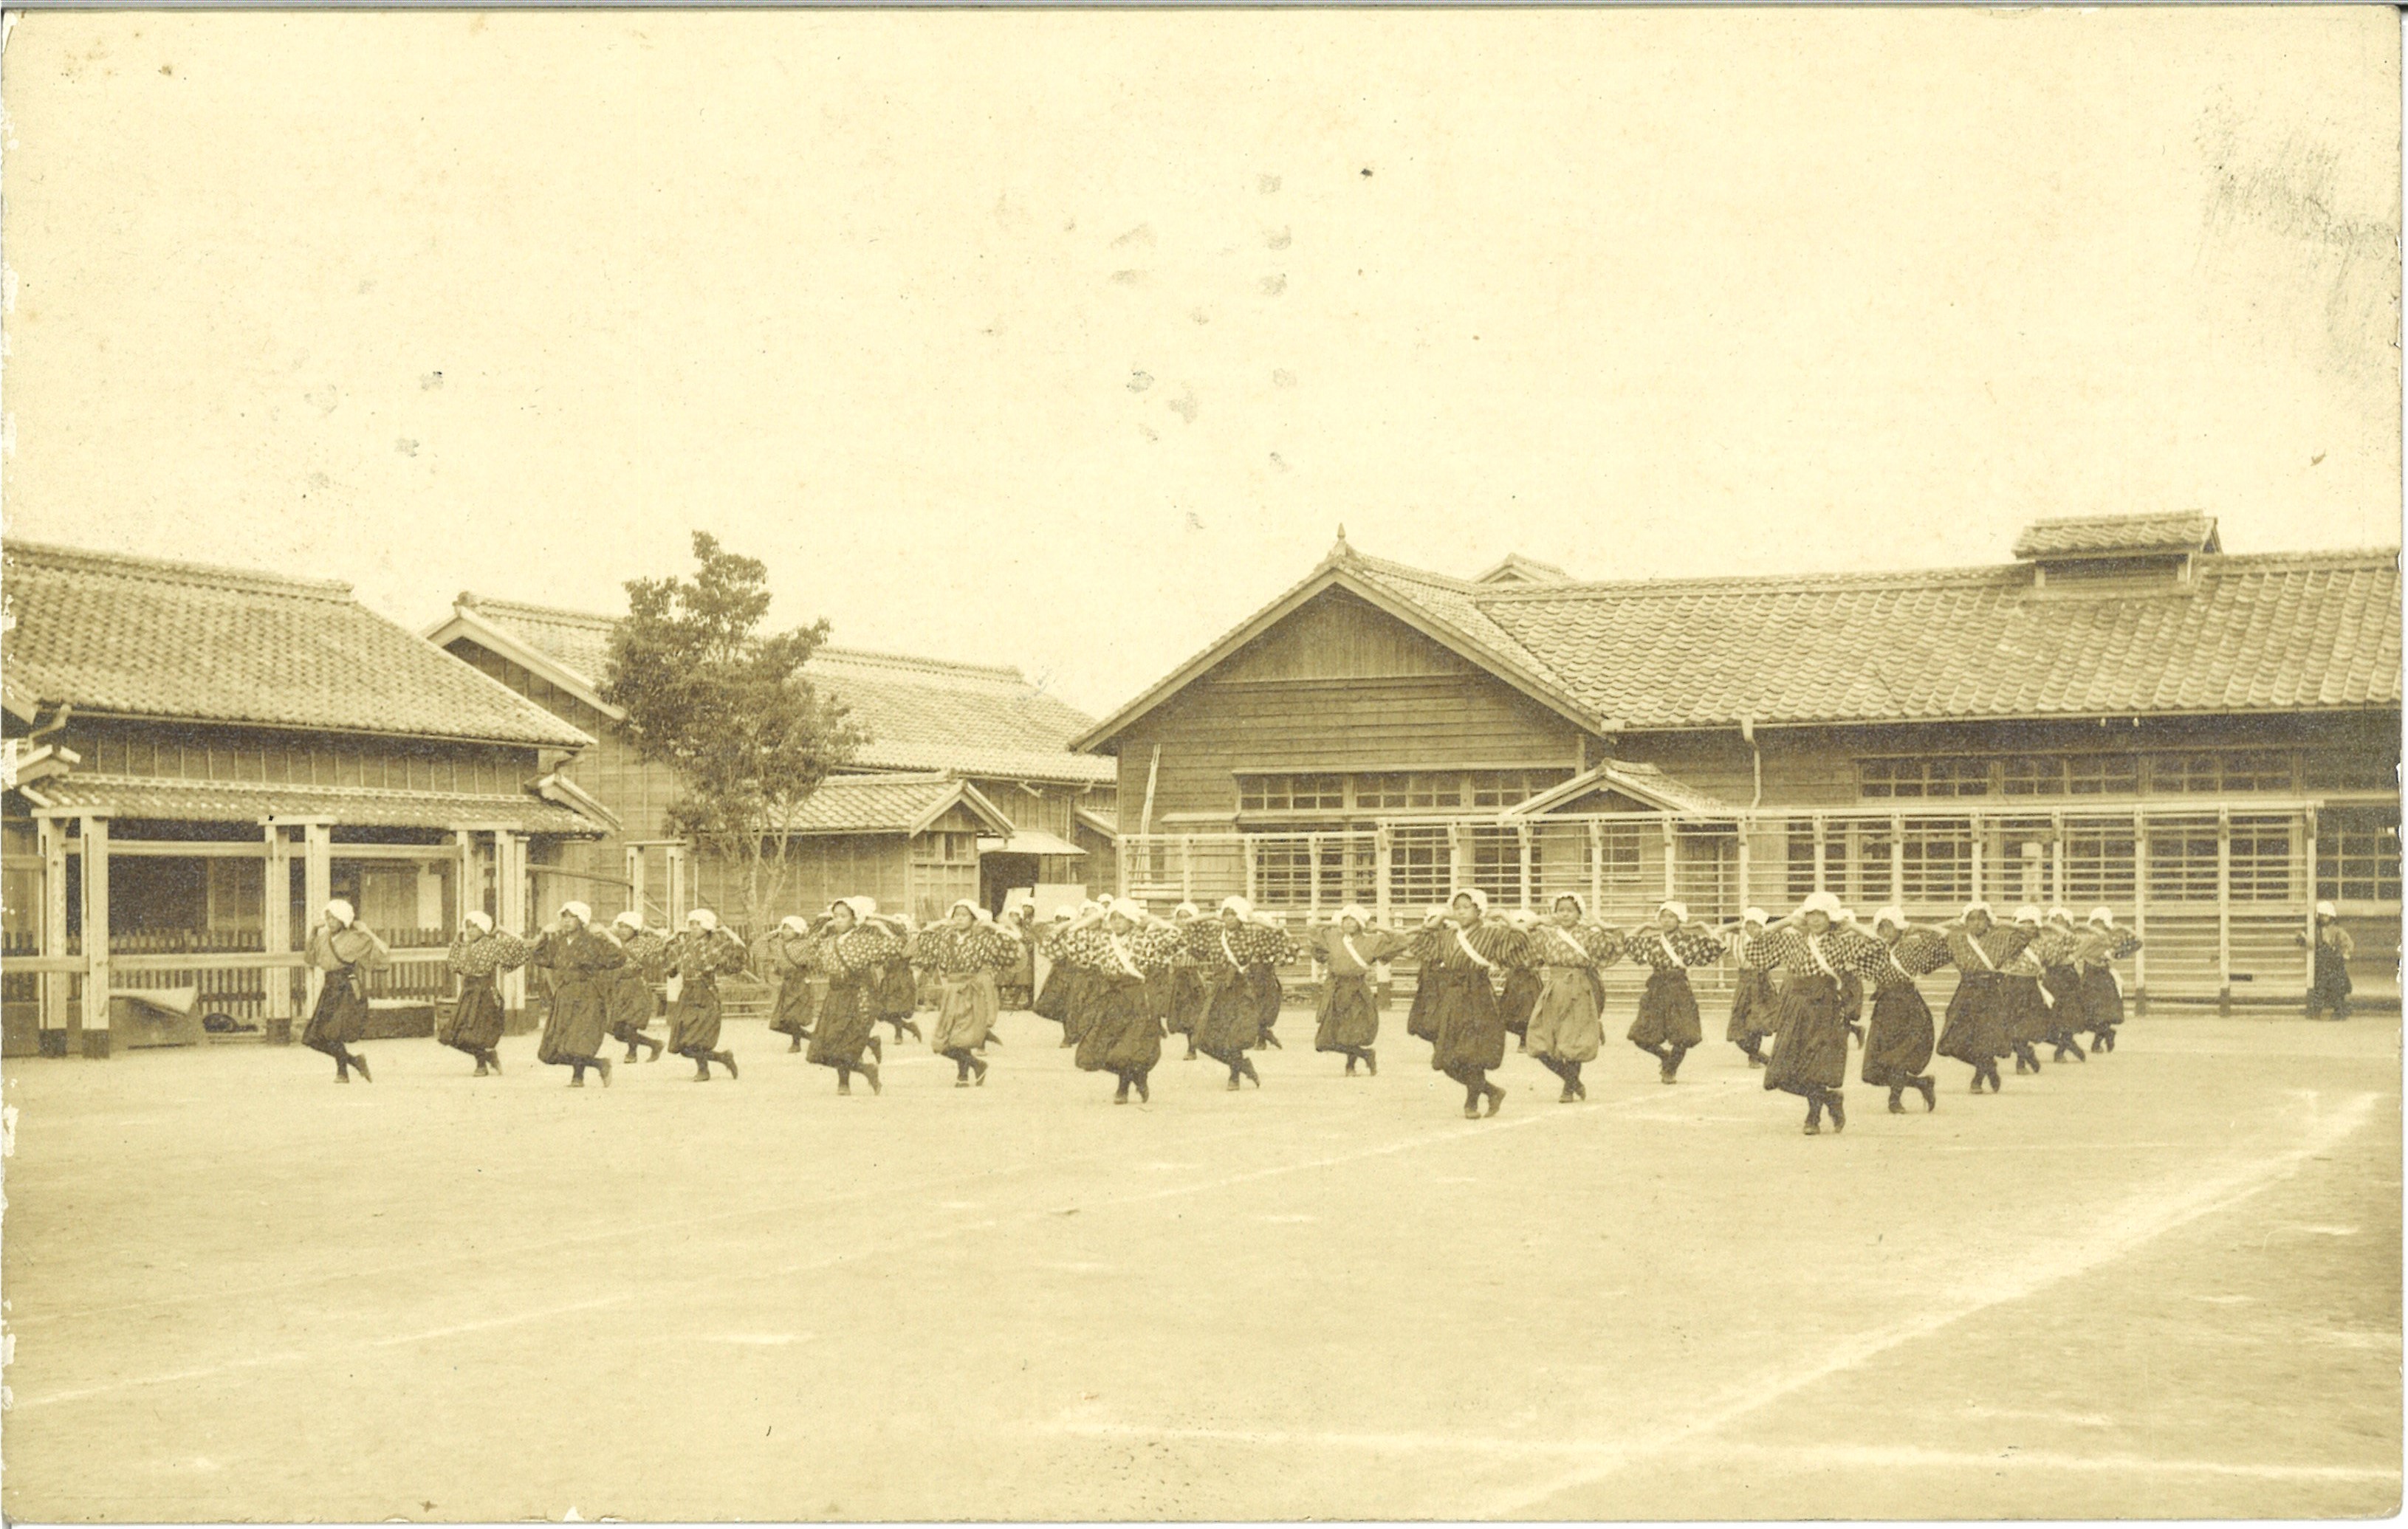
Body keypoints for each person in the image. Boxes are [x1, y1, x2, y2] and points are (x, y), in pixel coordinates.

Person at [1748, 892, 1876, 1135]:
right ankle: (1830, 1099)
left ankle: (1813, 1117)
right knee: (1779, 1074)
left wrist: (1853, 926)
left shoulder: (1842, 943)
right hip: (1796, 1009)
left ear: (1831, 918)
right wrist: (1787, 921)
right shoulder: (1793, 941)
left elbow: (1878, 946)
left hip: (1825, 1009)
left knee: (1815, 1068)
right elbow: (1755, 949)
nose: (1815, 920)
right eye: (1810, 915)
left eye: (1821, 915)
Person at [1406, 890, 1516, 1119]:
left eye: (1467, 907)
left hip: (1478, 995)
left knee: (1472, 1054)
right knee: (1446, 1060)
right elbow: (1420, 948)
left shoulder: (1491, 934)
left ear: (1478, 910)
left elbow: (1517, 946)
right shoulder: (1447, 936)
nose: (1461, 912)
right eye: (1457, 908)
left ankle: (1471, 1103)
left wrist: (1507, 918)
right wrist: (1436, 920)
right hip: (1453, 996)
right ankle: (1492, 1091)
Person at [1069, 899, 1178, 1102]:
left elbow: (1175, 936)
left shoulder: (1143, 939)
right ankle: (1138, 1078)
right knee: (1103, 1048)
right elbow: (1073, 936)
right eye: (1113, 918)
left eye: (1122, 918)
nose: (1117, 922)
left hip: (1137, 997)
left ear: (1131, 920)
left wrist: (1150, 918)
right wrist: (1097, 916)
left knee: (1130, 1047)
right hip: (1112, 997)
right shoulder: (1103, 940)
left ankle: (1123, 1088)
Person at [1523, 893, 1624, 1102]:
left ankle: (1568, 1089)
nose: (1565, 914)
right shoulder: (1548, 935)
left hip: (1579, 990)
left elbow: (1615, 942)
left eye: (1570, 910)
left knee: (1573, 1042)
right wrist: (1539, 920)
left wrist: (1600, 924)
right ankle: (1574, 1082)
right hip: (1553, 990)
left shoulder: (1588, 935)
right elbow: (1525, 936)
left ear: (1579, 913)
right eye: (1561, 910)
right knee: (1539, 1042)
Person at [807, 897, 903, 1094]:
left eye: (843, 916)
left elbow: (896, 945)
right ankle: (865, 1070)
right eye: (835, 916)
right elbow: (810, 952)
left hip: (859, 996)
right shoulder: (829, 942)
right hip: (835, 995)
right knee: (826, 1044)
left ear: (854, 918)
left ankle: (844, 1083)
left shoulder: (864, 940)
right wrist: (823, 931)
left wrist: (879, 925)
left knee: (846, 1042)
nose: (838, 920)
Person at [1935, 902, 2034, 1094]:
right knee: (1952, 1041)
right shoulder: (1957, 940)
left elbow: (2027, 933)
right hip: (1966, 992)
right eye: (1971, 919)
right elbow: (1930, 935)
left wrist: (2001, 923)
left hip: (1989, 991)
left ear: (1989, 921)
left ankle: (1978, 1079)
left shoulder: (2000, 939)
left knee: (1985, 1039)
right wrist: (1951, 922)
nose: (1977, 923)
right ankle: (1989, 1066)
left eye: (1981, 919)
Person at [1622, 901, 1724, 1085]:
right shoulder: (1653, 941)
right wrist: (1645, 926)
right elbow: (1628, 942)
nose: (1667, 920)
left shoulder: (1689, 941)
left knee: (1683, 1035)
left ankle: (1670, 1070)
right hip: (1657, 990)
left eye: (1671, 917)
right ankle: (1665, 1057)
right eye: (1663, 917)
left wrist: (1702, 926)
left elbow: (1718, 945)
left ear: (1679, 919)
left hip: (1679, 989)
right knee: (1641, 1036)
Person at [1184, 896, 1280, 1091]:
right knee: (1202, 1039)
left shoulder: (1250, 934)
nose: (1228, 918)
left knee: (1234, 1037)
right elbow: (1189, 923)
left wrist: (1252, 919)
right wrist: (1214, 915)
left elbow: (1276, 933)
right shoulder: (1215, 933)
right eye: (1226, 914)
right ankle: (1243, 1065)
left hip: (1240, 988)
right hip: (1219, 988)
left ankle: (1234, 1075)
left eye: (1233, 914)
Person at [528, 901, 625, 1088]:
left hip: (586, 995)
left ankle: (578, 1077)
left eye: (572, 917)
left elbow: (619, 957)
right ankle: (599, 1064)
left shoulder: (593, 942)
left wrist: (605, 933)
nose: (566, 921)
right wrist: (543, 935)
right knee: (551, 1051)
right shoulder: (558, 942)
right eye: (564, 917)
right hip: (564, 995)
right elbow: (538, 957)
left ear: (582, 920)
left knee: (577, 1041)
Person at [914, 900, 1010, 1087]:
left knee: (962, 1038)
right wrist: (939, 923)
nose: (959, 919)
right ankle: (977, 1065)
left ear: (973, 918)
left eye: (964, 915)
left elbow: (1009, 943)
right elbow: (923, 938)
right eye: (956, 915)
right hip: (951, 992)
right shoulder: (945, 938)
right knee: (941, 1043)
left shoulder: (982, 940)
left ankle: (963, 1076)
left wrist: (991, 925)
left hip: (970, 992)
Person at [1862, 908, 1949, 1113]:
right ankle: (1922, 1083)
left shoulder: (1912, 947)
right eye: (1881, 927)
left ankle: (1895, 1100)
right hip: (1884, 1007)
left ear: (1900, 928)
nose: (1885, 932)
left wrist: (1917, 927)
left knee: (1898, 1057)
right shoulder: (1874, 949)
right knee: (1872, 1071)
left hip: (1908, 1006)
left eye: (1890, 927)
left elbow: (1944, 938)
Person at [1310, 904, 1407, 1076]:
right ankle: (1366, 1054)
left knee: (1352, 1033)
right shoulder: (1333, 937)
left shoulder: (1371, 941)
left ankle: (1350, 1067)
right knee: (1323, 1042)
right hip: (1336, 989)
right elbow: (1312, 930)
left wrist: (1378, 928)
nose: (1348, 923)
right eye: (1345, 920)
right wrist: (1333, 923)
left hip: (1357, 990)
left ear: (1360, 923)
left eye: (1353, 920)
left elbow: (1401, 940)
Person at [303, 898, 388, 1083]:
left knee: (333, 1032)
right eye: (328, 918)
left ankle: (342, 1072)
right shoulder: (323, 938)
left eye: (334, 918)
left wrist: (367, 931)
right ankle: (355, 1061)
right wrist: (313, 931)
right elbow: (310, 959)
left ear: (343, 919)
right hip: (330, 988)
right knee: (313, 1038)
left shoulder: (354, 938)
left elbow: (383, 953)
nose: (330, 922)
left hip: (346, 988)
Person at [440, 910, 529, 1076]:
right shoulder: (464, 947)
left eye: (474, 927)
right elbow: (453, 964)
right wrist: (458, 937)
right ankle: (489, 1056)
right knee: (455, 1034)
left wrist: (501, 929)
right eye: (467, 927)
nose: (470, 931)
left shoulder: (493, 945)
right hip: (468, 992)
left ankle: (481, 1065)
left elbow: (519, 943)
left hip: (485, 992)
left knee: (478, 1031)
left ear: (483, 928)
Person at [665, 907, 748, 1082]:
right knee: (683, 1044)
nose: (694, 927)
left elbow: (737, 961)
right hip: (687, 994)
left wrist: (729, 933)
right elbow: (669, 968)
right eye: (691, 923)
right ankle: (722, 1058)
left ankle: (703, 1071)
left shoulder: (717, 946)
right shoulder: (682, 947)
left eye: (698, 924)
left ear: (707, 926)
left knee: (696, 1039)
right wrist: (672, 937)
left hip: (705, 994)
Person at [601, 912, 669, 1063]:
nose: (623, 930)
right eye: (621, 927)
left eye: (628, 927)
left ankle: (632, 1053)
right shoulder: (613, 942)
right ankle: (654, 1044)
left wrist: (650, 930)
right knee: (617, 1031)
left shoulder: (642, 942)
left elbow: (666, 940)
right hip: (619, 987)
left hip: (636, 986)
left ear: (635, 929)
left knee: (630, 1024)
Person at [2072, 909, 2143, 1051]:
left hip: (2102, 976)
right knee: (2088, 1012)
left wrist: (2124, 928)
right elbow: (2077, 955)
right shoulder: (2094, 938)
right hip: (2090, 975)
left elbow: (2138, 942)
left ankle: (2098, 1042)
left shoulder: (2110, 938)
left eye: (2101, 922)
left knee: (2103, 1013)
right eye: (2095, 922)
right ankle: (2107, 1033)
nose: (2097, 925)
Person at [1997, 907, 2055, 1076]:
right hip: (2009, 984)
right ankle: (2026, 1053)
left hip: (2029, 986)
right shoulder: (2008, 941)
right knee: (2008, 1025)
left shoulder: (2043, 943)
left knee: (2024, 1028)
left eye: (2031, 925)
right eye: (2023, 924)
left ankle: (2021, 1061)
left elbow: (2052, 960)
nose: (2028, 928)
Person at [2031, 907, 2089, 1064]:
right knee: (2051, 1017)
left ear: (2069, 924)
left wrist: (2073, 957)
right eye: (2054, 921)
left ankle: (2061, 1051)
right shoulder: (2045, 938)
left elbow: (2081, 946)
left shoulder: (2071, 938)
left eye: (2061, 922)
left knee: (2069, 1016)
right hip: (2052, 979)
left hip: (2068, 978)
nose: (2058, 924)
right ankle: (2068, 1044)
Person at [1722, 908, 1776, 1067]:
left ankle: (1754, 1056)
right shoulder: (1735, 939)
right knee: (1739, 1023)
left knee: (1757, 1022)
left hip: (1762, 981)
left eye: (1756, 924)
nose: (1752, 928)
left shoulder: (1768, 940)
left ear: (1762, 926)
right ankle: (1759, 1056)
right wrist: (1736, 925)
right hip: (1744, 981)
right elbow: (1718, 932)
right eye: (1749, 924)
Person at [764, 914, 820, 1054]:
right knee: (780, 1021)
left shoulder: (804, 945)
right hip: (788, 983)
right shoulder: (780, 947)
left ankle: (796, 1043)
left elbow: (808, 961)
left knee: (793, 1016)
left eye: (789, 928)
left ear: (797, 931)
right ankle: (812, 1038)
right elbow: (778, 967)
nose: (785, 931)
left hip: (800, 983)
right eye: (784, 928)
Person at [1164, 903, 1210, 1061]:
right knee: (1182, 1013)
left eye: (1187, 917)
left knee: (1194, 1013)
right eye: (1180, 917)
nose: (1183, 920)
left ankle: (1192, 1048)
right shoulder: (1172, 934)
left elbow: (1202, 953)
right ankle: (1192, 1045)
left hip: (1192, 977)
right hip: (1178, 977)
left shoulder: (1198, 935)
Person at [1496, 908, 1545, 1053]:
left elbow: (1542, 956)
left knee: (1530, 1008)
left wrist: (1536, 966)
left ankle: (1527, 1039)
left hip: (1530, 978)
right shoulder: (1509, 938)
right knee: (1512, 1009)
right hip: (1515, 977)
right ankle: (1523, 1037)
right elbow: (1502, 955)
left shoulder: (1537, 937)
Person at [874, 913, 925, 1045]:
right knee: (881, 1011)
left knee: (895, 1010)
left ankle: (899, 1035)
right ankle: (909, 1027)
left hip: (901, 978)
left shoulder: (903, 940)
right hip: (889, 978)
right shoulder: (887, 940)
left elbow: (900, 957)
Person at [1249, 910, 1297, 1049]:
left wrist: (1283, 933)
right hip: (1250, 973)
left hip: (1264, 973)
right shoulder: (1246, 936)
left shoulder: (1271, 938)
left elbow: (1291, 949)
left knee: (1265, 1005)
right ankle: (1262, 1034)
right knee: (1252, 1005)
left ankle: (1262, 1036)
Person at [2300, 901, 2356, 1021]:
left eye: (2326, 915)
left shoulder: (2337, 930)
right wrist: (2303, 937)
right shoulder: (2314, 930)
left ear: (2331, 917)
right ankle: (2316, 1011)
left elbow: (2348, 944)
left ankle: (2340, 1011)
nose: (2323, 918)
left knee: (2338, 988)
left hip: (2334, 962)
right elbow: (2306, 939)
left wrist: (2344, 954)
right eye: (2321, 915)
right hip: (2321, 963)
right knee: (2319, 987)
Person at [1031, 907, 1080, 1040]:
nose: (1062, 921)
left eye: (1066, 919)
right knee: (1062, 1002)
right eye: (1059, 918)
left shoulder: (1078, 932)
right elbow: (1036, 926)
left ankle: (1074, 1033)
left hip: (1077, 970)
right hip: (1060, 971)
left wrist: (1068, 925)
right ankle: (1068, 1034)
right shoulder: (1053, 933)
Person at [995, 896, 1039, 1011]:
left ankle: (1019, 1002)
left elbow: (1027, 938)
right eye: (1025, 906)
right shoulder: (1005, 926)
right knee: (1002, 979)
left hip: (1024, 955)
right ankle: (1000, 1002)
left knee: (1023, 980)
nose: (1026, 909)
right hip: (1007, 956)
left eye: (1029, 907)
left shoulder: (1029, 923)